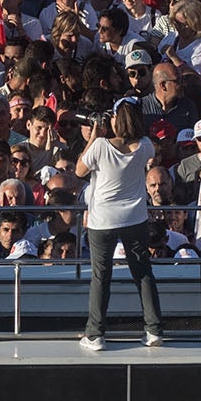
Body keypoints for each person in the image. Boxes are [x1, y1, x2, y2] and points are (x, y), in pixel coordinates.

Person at [74, 100, 163, 351]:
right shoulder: (145, 146)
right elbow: (145, 151)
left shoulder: (101, 146)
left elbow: (80, 170)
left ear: (116, 118)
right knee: (142, 272)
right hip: (135, 218)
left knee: (101, 275)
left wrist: (93, 137)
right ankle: (154, 329)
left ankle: (95, 333)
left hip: (102, 221)